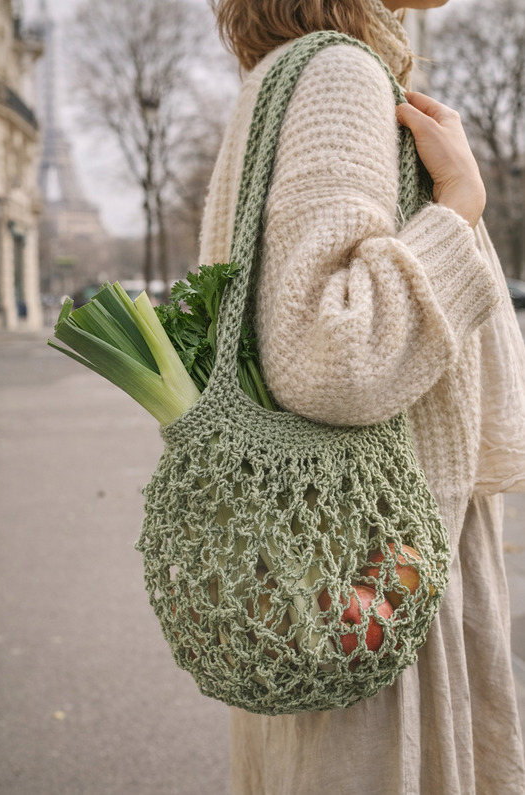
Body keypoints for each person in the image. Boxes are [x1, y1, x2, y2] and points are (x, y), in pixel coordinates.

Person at [201, 1, 525, 792]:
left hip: (320, 555)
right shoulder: (339, 75)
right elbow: (328, 354)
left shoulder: (284, 75)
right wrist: (458, 204)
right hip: (379, 560)